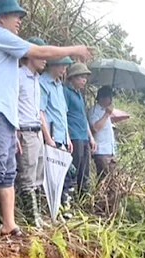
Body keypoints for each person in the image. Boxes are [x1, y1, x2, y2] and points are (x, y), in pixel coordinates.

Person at [0, 0, 91, 240]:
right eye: (15, 15)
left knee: (8, 171)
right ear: (0, 18)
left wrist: (13, 127)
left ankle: (9, 223)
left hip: (4, 115)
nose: (19, 21)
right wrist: (73, 49)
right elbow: (38, 51)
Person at [16, 37, 49, 227]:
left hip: (37, 131)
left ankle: (37, 216)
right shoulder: (18, 75)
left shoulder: (36, 80)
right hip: (25, 130)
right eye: (41, 54)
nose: (45, 59)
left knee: (38, 175)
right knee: (27, 176)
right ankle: (31, 218)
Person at [39, 56, 74, 210]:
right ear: (53, 65)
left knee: (67, 174)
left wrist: (68, 138)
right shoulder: (43, 83)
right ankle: (52, 209)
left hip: (62, 137)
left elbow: (62, 114)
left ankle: (63, 207)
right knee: (51, 177)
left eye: (65, 66)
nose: (64, 69)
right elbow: (41, 112)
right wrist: (48, 138)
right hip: (51, 137)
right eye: (61, 65)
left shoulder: (60, 85)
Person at [64, 63, 96, 196]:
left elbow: (83, 117)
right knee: (73, 169)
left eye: (85, 77)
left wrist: (91, 137)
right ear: (73, 78)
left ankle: (83, 198)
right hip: (74, 135)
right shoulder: (66, 92)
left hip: (83, 136)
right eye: (81, 77)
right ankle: (69, 198)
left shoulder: (79, 95)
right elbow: (63, 115)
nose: (84, 80)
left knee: (84, 171)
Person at [89, 85, 124, 181]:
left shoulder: (105, 111)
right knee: (104, 180)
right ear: (102, 98)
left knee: (112, 181)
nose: (111, 101)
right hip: (101, 151)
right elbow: (95, 128)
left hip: (110, 151)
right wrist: (107, 114)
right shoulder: (94, 111)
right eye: (109, 98)